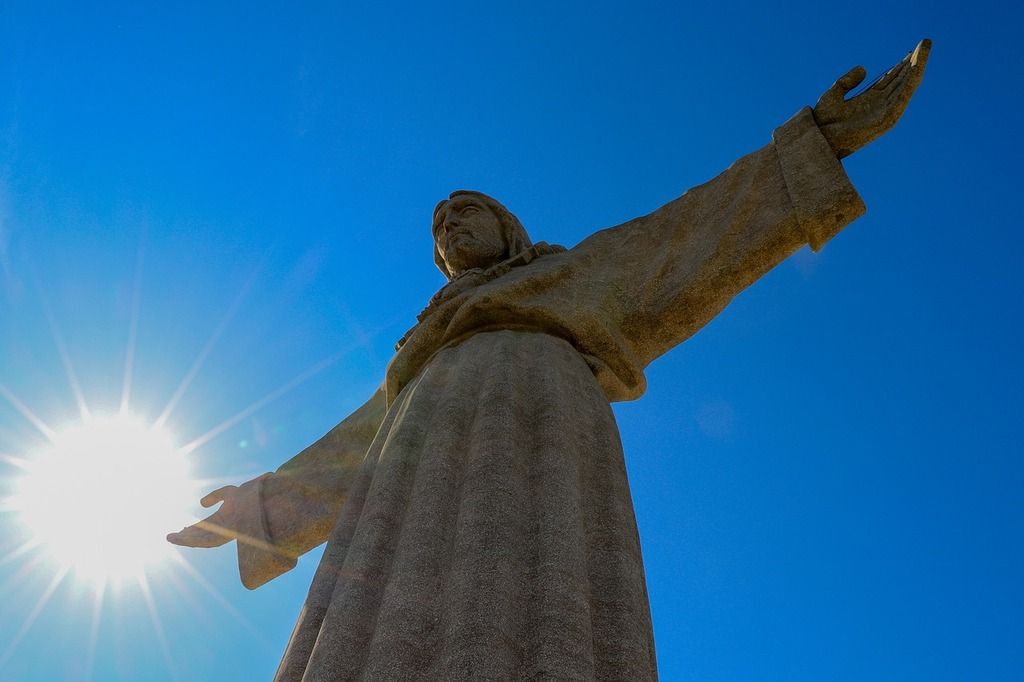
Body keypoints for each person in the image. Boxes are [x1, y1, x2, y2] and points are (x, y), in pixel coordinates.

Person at [169, 40, 931, 681]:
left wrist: (814, 146)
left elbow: (686, 235)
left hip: (541, 408)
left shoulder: (571, 279)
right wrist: (263, 508)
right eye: (439, 226)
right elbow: (352, 444)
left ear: (509, 228)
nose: (449, 225)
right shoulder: (420, 355)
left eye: (465, 211)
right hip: (411, 455)